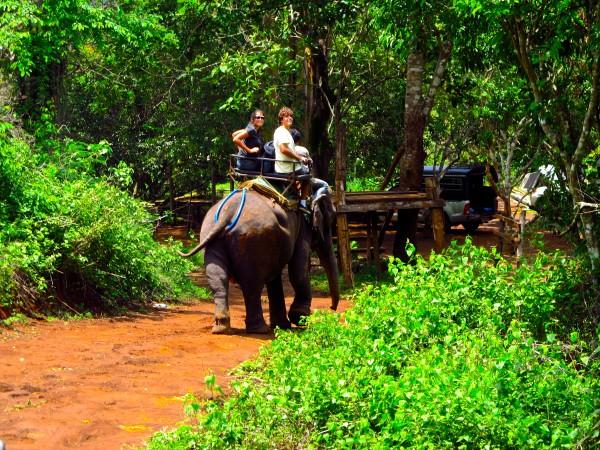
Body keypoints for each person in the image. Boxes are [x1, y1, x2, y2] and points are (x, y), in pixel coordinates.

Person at [273, 107, 309, 174]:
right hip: (288, 169)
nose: (290, 118)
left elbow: (289, 150)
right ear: (281, 120)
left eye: (291, 116)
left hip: (290, 166)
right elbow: (283, 149)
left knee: (306, 170)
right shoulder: (281, 131)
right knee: (322, 184)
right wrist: (300, 158)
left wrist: (301, 157)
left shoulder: (286, 132)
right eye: (286, 116)